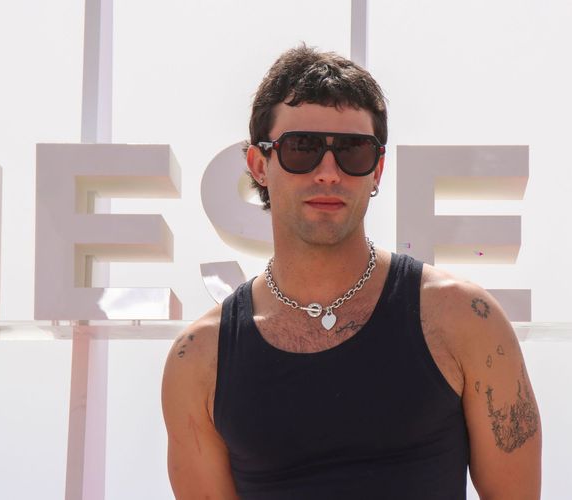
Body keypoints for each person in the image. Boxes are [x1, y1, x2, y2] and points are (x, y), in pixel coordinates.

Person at [162, 45, 541, 500]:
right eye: (302, 148)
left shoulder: (464, 320)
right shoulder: (200, 360)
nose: (328, 172)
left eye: (353, 151)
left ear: (377, 170)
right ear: (259, 165)